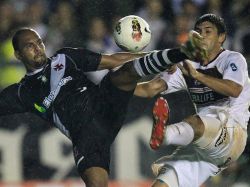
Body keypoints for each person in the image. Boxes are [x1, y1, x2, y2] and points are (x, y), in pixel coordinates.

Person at [0, 28, 204, 186]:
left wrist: (162, 56)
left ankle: (181, 53)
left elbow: (113, 60)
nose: (38, 48)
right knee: (96, 183)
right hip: (87, 137)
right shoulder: (21, 93)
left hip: (103, 104)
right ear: (18, 55)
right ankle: (168, 79)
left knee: (123, 73)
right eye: (29, 46)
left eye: (39, 42)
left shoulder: (65, 57)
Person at [135, 14, 250, 187]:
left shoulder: (232, 59)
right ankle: (164, 134)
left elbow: (233, 89)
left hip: (232, 133)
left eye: (208, 31)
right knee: (161, 184)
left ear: (221, 37)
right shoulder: (186, 65)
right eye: (197, 31)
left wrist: (197, 76)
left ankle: (165, 135)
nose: (201, 35)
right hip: (202, 147)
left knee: (196, 122)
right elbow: (151, 88)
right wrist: (116, 88)